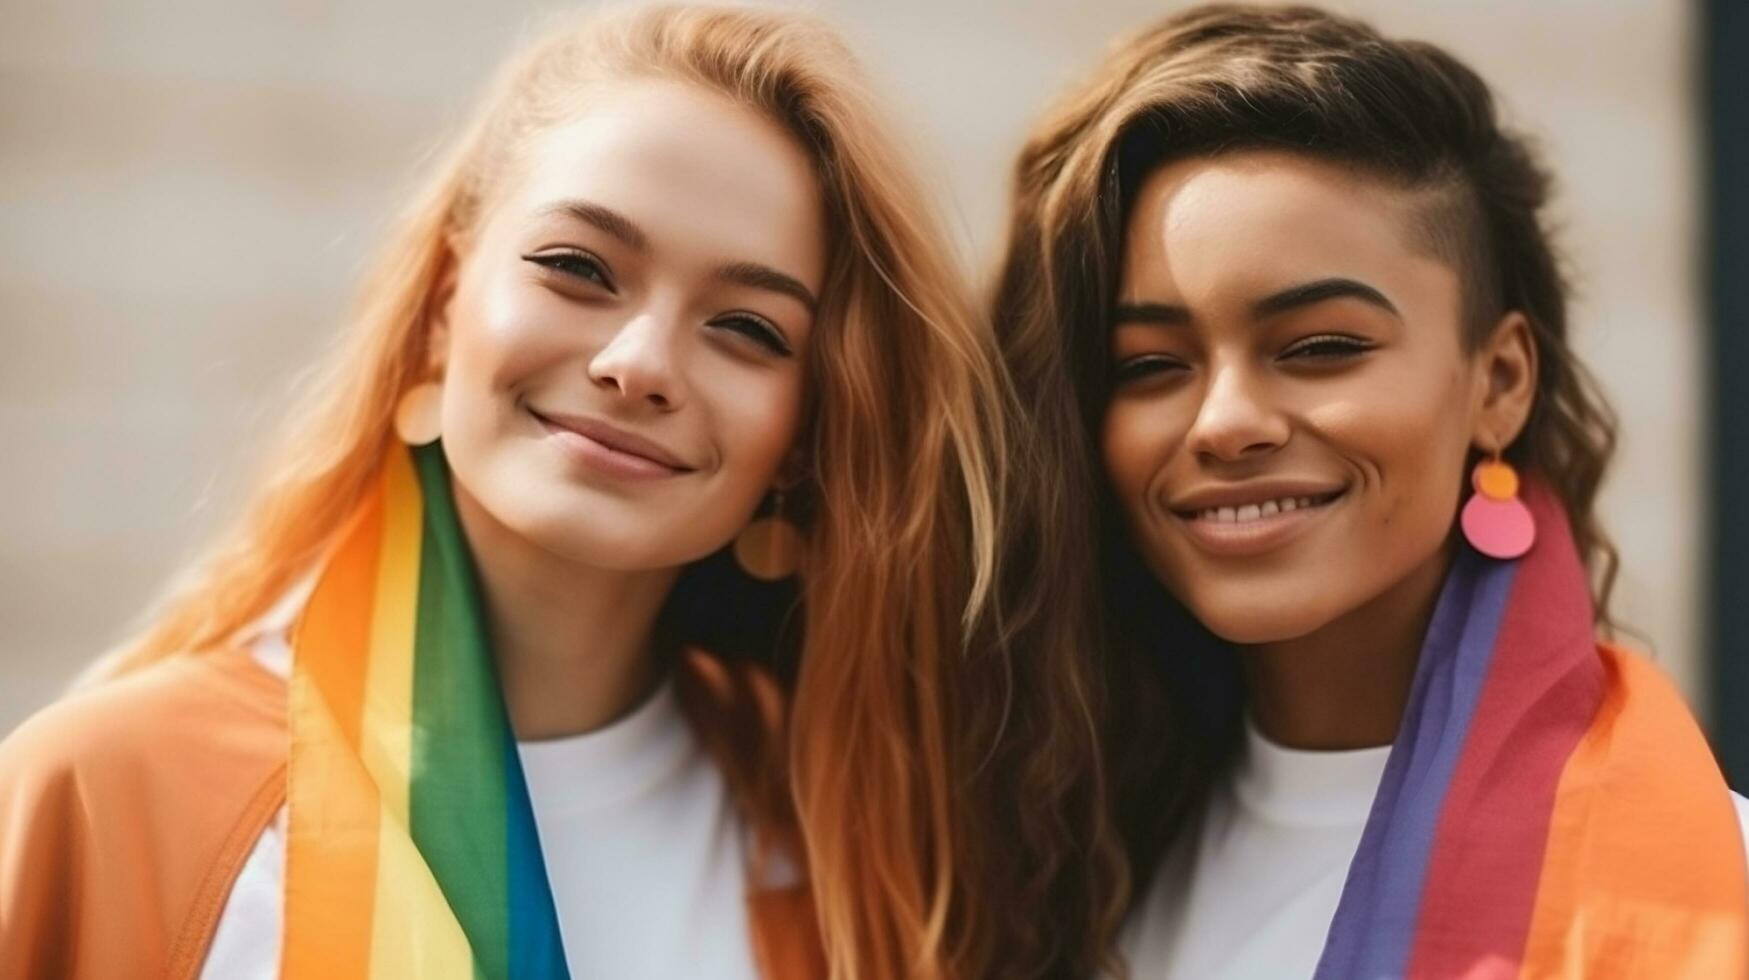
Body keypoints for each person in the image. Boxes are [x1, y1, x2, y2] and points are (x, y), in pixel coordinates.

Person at [0, 6, 1112, 978]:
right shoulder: (112, 792)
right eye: (578, 267)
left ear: (807, 439)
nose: (641, 361)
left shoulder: (857, 835)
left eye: (748, 327)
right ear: (442, 307)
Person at [993, 4, 1749, 976]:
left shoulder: (1713, 887)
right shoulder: (1045, 863)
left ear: (1500, 381)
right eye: (1148, 364)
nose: (1224, 420)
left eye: (1321, 347)